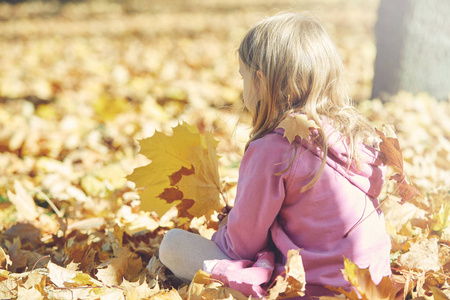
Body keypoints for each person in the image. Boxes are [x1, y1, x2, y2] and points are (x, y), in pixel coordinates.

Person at [159, 12, 391, 298]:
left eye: (243, 77)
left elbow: (241, 245)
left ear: (259, 80)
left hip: (309, 289)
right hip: (373, 286)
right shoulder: (353, 137)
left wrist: (223, 231)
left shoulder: (273, 149)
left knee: (172, 244)